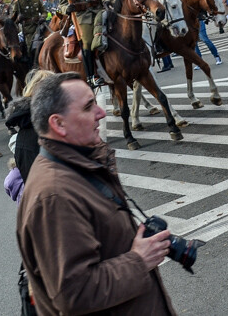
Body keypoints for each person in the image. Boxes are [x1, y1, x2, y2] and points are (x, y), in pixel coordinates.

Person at [17, 72, 176, 316]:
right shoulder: (54, 196)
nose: (101, 113)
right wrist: (139, 262)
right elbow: (73, 293)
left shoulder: (78, 162)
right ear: (58, 124)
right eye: (89, 106)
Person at [58, 0, 110, 87]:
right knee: (87, 42)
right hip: (82, 17)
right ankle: (91, 76)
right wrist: (66, 9)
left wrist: (105, 0)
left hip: (97, 11)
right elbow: (62, 4)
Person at [11, 0, 47, 64]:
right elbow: (13, 19)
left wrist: (43, 17)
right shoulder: (18, 3)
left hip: (39, 25)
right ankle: (33, 63)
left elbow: (44, 11)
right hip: (28, 29)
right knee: (30, 46)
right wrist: (18, 19)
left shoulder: (36, 0)